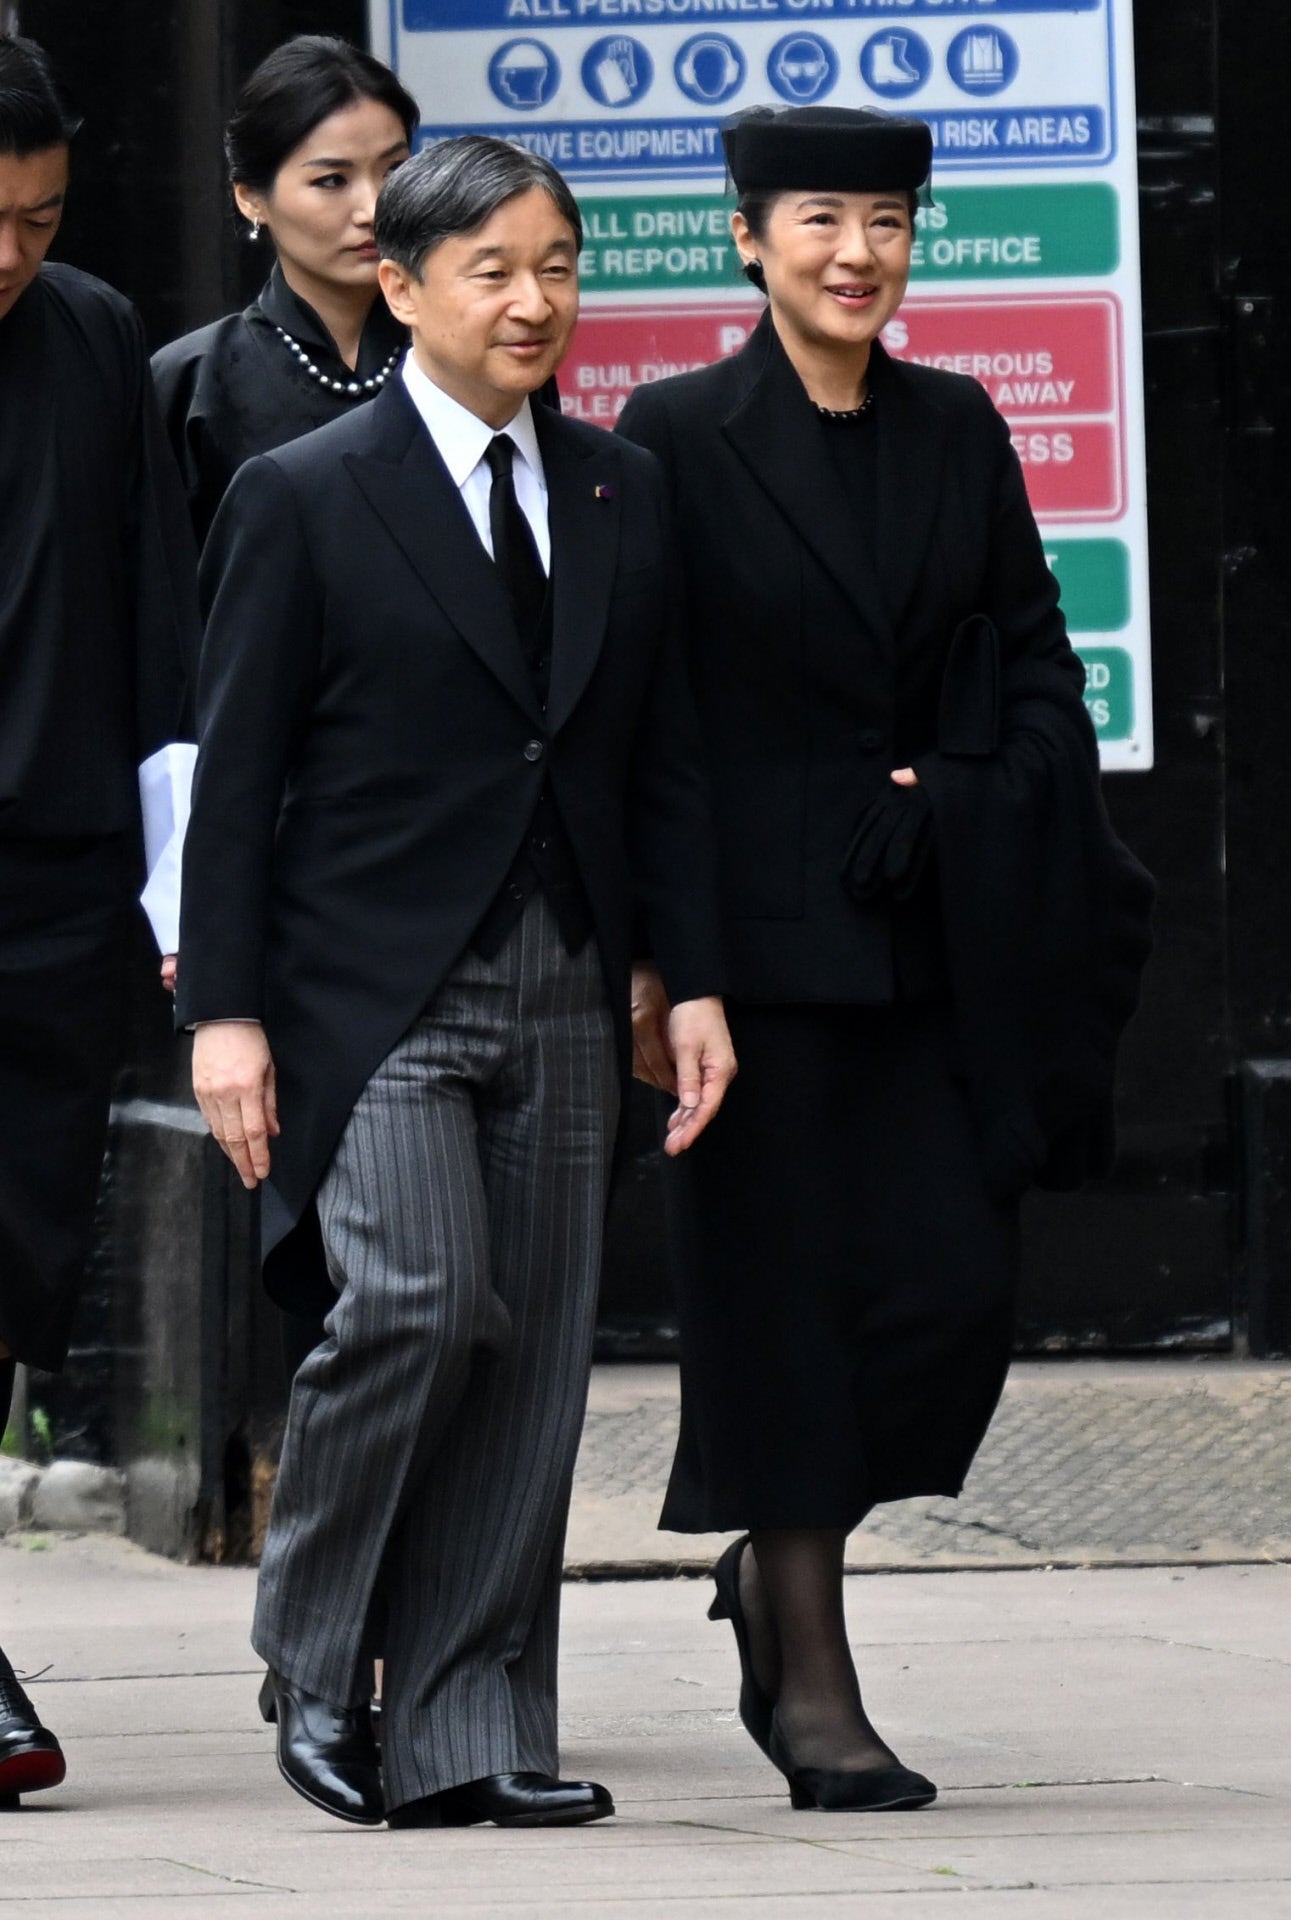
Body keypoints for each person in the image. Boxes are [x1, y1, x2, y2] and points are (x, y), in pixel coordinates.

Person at [176, 135, 735, 1831]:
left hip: (569, 975)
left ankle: (467, 1726)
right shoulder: (303, 492)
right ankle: (313, 1650)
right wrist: (222, 1013)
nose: (532, 300)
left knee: (535, 1361)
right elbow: (237, 772)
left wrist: (685, 979)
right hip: (370, 992)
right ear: (401, 286)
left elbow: (662, 759)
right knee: (419, 1302)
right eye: (491, 269)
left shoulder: (620, 487)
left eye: (556, 266)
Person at [619, 104, 1154, 1814]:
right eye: (820, 218)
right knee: (781, 1321)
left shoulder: (957, 424)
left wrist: (956, 792)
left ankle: (764, 1572)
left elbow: (1034, 670)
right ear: (747, 238)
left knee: (941, 1299)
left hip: (937, 942)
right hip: (759, 966)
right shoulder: (675, 434)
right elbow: (654, 725)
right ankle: (813, 1686)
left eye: (888, 221)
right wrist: (672, 966)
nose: (858, 253)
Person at [0, 35, 198, 1804]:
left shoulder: (92, 336)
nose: (10, 254)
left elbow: (152, 620)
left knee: (16, 1264)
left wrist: (171, 886)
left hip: (51, 884)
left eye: (42, 219)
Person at [151, 36, 418, 549]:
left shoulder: (464, 348)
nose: (373, 208)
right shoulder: (192, 380)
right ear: (251, 198)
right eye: (332, 180)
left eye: (395, 170)